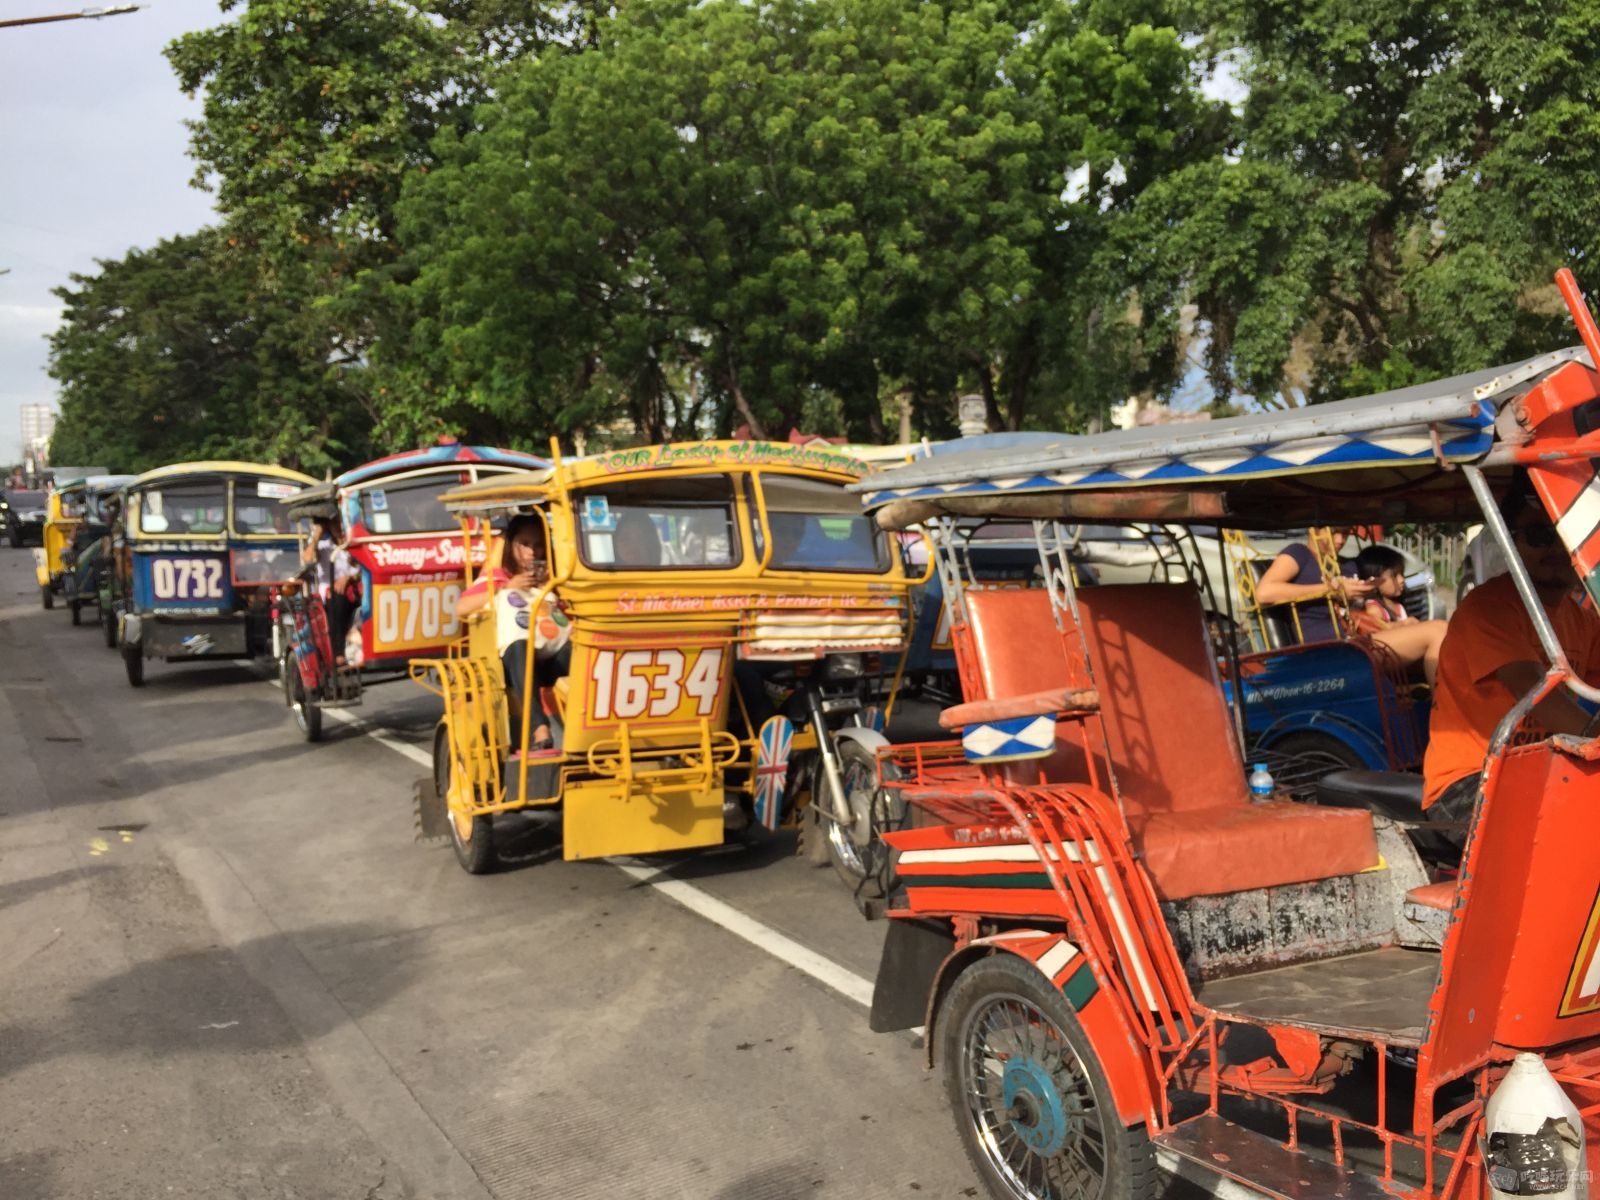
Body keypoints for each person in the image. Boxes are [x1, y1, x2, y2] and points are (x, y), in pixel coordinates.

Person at [1423, 473, 1600, 836]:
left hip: (1543, 771)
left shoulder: (1583, 618)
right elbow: (1535, 693)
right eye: (1538, 536)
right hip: (1471, 782)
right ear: (1513, 543)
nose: (1554, 550)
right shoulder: (1488, 608)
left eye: (1564, 537)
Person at [1255, 528, 1447, 683]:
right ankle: (1443, 715)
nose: (1339, 540)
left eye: (1345, 534)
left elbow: (1365, 614)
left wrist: (1397, 626)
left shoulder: (1348, 566)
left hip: (1360, 641)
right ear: (1314, 529)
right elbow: (1264, 592)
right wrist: (1330, 590)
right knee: (1437, 630)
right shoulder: (1300, 554)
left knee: (1445, 641)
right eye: (1334, 533)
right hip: (1329, 651)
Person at [454, 514, 571, 755]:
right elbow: (461, 608)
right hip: (507, 662)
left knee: (578, 649)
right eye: (525, 544)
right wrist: (506, 588)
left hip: (549, 656)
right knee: (519, 647)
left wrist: (553, 589)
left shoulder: (556, 578)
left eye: (538, 545)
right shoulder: (496, 578)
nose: (532, 552)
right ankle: (539, 727)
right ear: (512, 546)